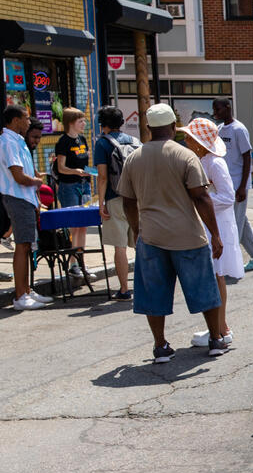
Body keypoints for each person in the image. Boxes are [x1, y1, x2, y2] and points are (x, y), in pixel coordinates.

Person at [117, 103, 228, 362]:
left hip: (152, 236)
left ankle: (161, 346)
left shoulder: (134, 158)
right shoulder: (185, 155)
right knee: (204, 289)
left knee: (153, 293)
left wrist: (136, 230)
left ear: (148, 128)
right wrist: (216, 234)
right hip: (188, 236)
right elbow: (201, 197)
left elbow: (127, 201)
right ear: (172, 127)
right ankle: (215, 339)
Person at [180, 118, 242, 349]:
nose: (185, 141)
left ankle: (221, 328)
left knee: (217, 276)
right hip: (209, 222)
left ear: (199, 142)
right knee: (215, 277)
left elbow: (228, 197)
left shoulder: (215, 163)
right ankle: (219, 326)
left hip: (217, 224)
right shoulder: (204, 160)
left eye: (189, 138)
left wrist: (199, 200)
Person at [1, 106, 53, 310]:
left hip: (26, 198)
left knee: (27, 245)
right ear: (14, 120)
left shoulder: (17, 140)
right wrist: (37, 183)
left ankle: (27, 291)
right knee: (22, 246)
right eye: (25, 118)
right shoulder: (7, 142)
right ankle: (21, 295)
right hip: (17, 197)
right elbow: (18, 176)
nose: (29, 122)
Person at [213, 97, 253, 272]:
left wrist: (243, 186)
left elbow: (246, 157)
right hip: (226, 185)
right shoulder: (220, 129)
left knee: (234, 224)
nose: (215, 113)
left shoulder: (239, 129)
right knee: (241, 221)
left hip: (237, 185)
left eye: (218, 109)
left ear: (228, 108)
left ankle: (230, 265)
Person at [94, 106, 139, 300]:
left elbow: (102, 177)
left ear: (103, 124)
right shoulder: (135, 141)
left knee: (120, 247)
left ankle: (123, 289)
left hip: (115, 196)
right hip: (137, 198)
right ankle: (145, 284)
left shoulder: (102, 144)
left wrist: (101, 202)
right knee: (141, 243)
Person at [54, 107, 97, 281]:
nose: (84, 124)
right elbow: (61, 168)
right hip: (69, 186)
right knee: (74, 226)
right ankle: (73, 263)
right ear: (71, 123)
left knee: (83, 225)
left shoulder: (82, 139)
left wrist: (87, 173)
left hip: (84, 185)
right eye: (80, 121)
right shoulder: (63, 142)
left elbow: (85, 160)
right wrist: (76, 171)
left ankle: (81, 261)